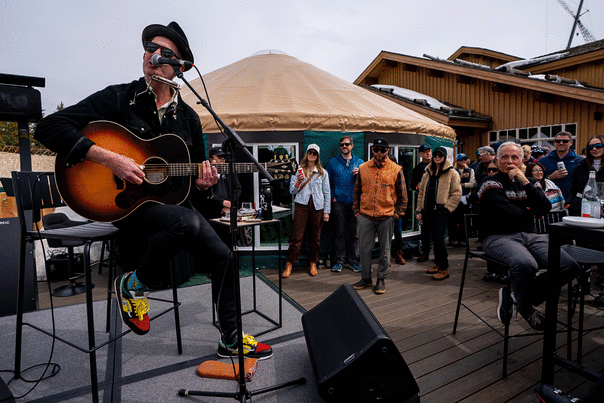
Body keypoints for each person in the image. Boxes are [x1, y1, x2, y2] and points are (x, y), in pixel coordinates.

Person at [33, 22, 273, 360]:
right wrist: (110, 158)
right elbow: (49, 127)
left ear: (182, 67)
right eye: (149, 47)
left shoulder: (189, 118)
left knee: (224, 257)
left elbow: (194, 191)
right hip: (122, 207)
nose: (152, 55)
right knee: (185, 224)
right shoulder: (120, 97)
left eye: (163, 53)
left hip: (168, 211)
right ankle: (134, 284)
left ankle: (231, 338)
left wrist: (205, 185)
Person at [477, 142, 579, 331]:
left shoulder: (530, 182)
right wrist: (530, 211)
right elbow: (502, 212)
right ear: (497, 160)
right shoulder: (489, 181)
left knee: (569, 266)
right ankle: (525, 307)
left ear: (522, 160)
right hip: (497, 236)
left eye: (514, 157)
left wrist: (524, 181)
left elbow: (545, 208)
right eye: (505, 157)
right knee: (525, 264)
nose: (509, 161)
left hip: (530, 234)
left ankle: (516, 296)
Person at [352, 138, 407, 294]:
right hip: (365, 215)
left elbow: (403, 195)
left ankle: (381, 279)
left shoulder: (396, 169)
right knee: (364, 249)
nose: (379, 152)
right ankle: (366, 277)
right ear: (372, 150)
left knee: (385, 250)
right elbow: (357, 191)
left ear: (387, 151)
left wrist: (397, 215)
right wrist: (357, 211)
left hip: (386, 216)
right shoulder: (363, 168)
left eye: (383, 150)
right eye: (376, 149)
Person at [283, 144, 330, 278]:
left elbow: (327, 192)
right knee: (297, 236)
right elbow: (292, 191)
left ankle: (313, 262)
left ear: (317, 156)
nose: (312, 155)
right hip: (301, 204)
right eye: (310, 152)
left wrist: (327, 211)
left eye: (314, 153)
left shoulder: (322, 172)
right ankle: (289, 263)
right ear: (307, 154)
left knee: (316, 237)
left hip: (318, 206)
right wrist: (298, 182)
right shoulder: (298, 170)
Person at [567, 135, 604, 306]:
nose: (594, 149)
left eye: (598, 145)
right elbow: (574, 190)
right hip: (584, 214)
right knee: (583, 247)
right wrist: (574, 204)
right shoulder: (581, 167)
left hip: (602, 217)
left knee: (601, 248)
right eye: (590, 147)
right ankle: (583, 284)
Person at [416, 147, 462, 280]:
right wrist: (419, 210)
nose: (437, 157)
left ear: (444, 157)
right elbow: (421, 194)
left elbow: (456, 193)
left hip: (441, 210)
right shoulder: (427, 174)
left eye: (440, 155)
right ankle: (437, 263)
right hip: (428, 210)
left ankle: (444, 268)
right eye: (435, 155)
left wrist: (447, 208)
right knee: (433, 239)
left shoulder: (452, 173)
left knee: (438, 239)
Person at [325, 136, 364, 273]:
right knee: (339, 233)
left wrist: (361, 175)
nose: (344, 146)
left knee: (355, 234)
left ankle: (354, 261)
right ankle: (339, 261)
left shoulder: (360, 163)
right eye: (342, 144)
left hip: (355, 203)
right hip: (339, 203)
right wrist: (333, 197)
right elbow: (327, 183)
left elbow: (367, 183)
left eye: (347, 144)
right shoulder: (332, 162)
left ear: (352, 146)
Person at [204, 146, 242, 246]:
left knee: (231, 243)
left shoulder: (230, 172)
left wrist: (229, 204)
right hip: (213, 214)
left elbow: (238, 189)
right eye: (219, 157)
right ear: (212, 160)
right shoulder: (207, 175)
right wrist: (221, 202)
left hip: (229, 214)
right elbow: (207, 193)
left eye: (223, 157)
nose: (222, 160)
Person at [539, 131, 583, 202]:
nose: (561, 143)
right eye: (558, 141)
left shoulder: (580, 160)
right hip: (550, 201)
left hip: (572, 201)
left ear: (571, 143)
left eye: (565, 141)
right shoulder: (543, 161)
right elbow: (534, 181)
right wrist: (550, 177)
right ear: (554, 143)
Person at [448, 153, 475, 246]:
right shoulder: (453, 171)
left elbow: (472, 183)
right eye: (461, 160)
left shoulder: (470, 170)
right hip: (454, 197)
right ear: (457, 161)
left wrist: (463, 184)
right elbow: (451, 183)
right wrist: (461, 178)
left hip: (465, 197)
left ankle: (463, 239)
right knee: (453, 219)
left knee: (464, 220)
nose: (463, 162)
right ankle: (453, 238)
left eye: (464, 159)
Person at [411, 144, 432, 263]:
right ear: (420, 154)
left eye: (429, 151)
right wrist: (418, 185)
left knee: (437, 229)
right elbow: (412, 185)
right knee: (424, 229)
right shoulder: (417, 169)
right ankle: (425, 252)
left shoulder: (438, 166)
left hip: (437, 202)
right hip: (424, 202)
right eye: (425, 151)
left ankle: (439, 257)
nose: (428, 153)